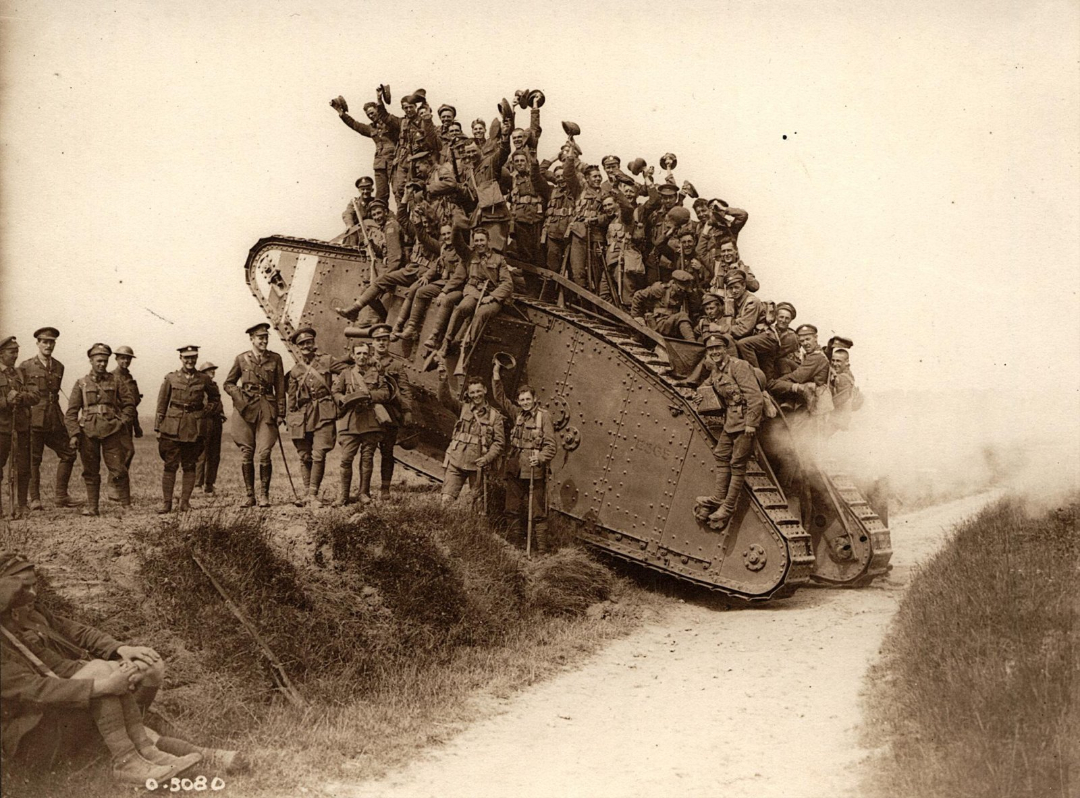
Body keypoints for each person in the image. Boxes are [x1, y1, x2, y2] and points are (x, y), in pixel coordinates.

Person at [0, 553, 244, 782]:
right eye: (22, 588)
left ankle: (152, 752)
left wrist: (120, 649)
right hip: (34, 735)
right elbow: (35, 690)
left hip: (65, 703)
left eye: (34, 585)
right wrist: (99, 686)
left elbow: (77, 631)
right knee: (102, 676)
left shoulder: (33, 612)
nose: (32, 594)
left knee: (145, 667)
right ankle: (132, 759)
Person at [694, 335, 763, 530]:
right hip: (731, 421)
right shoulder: (716, 370)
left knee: (737, 463)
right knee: (721, 454)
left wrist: (751, 424)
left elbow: (755, 397)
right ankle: (717, 497)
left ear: (725, 349)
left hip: (744, 422)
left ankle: (728, 506)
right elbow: (706, 385)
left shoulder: (738, 366)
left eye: (718, 348)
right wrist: (699, 395)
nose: (714, 352)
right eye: (711, 350)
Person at [64, 344, 138, 517]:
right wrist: (74, 434)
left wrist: (122, 422)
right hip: (88, 432)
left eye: (105, 361)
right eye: (98, 361)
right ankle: (93, 507)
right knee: (90, 471)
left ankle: (127, 506)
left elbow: (129, 404)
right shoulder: (81, 383)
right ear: (91, 361)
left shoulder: (116, 381)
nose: (102, 365)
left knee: (119, 469)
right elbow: (71, 412)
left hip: (112, 431)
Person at [490, 361, 557, 552]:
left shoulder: (543, 417)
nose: (525, 402)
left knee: (537, 513)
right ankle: (514, 546)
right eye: (522, 400)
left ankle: (542, 550)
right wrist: (496, 372)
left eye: (528, 399)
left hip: (534, 471)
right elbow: (500, 398)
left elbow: (551, 446)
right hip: (514, 469)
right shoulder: (517, 414)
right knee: (511, 509)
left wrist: (541, 458)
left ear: (535, 399)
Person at [223, 323, 286, 507]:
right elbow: (228, 383)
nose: (264, 341)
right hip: (245, 408)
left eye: (266, 337)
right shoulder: (241, 359)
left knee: (265, 451)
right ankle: (250, 495)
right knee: (247, 452)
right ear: (252, 339)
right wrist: (239, 397)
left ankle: (264, 495)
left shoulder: (275, 358)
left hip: (267, 407)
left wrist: (281, 412)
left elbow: (280, 388)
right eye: (260, 338)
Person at [154, 346, 219, 514]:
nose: (190, 361)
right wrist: (158, 427)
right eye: (186, 358)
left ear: (196, 358)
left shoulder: (203, 379)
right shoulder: (171, 378)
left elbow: (215, 397)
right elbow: (162, 403)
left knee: (190, 465)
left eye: (193, 358)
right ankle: (167, 503)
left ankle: (184, 503)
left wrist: (207, 411)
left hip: (194, 427)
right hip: (172, 427)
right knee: (170, 465)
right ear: (181, 358)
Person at [18, 327, 78, 509]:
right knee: (33, 459)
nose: (48, 345)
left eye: (51, 342)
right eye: (44, 341)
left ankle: (61, 496)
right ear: (37, 343)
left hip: (54, 418)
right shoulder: (25, 366)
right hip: (34, 418)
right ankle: (35, 499)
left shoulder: (59, 366)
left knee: (69, 452)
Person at [435, 227, 515, 360]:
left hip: (492, 297)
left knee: (480, 314)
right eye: (476, 240)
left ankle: (469, 348)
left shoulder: (499, 259)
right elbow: (457, 242)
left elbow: (507, 284)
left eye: (482, 240)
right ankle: (447, 343)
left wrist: (492, 296)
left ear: (488, 241)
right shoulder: (469, 255)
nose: (479, 243)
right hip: (473, 291)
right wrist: (457, 225)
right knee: (461, 308)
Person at [435, 361, 504, 507]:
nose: (476, 395)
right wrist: (443, 379)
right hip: (456, 461)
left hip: (478, 466)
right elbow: (444, 400)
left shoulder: (494, 416)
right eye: (472, 392)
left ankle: (474, 529)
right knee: (446, 502)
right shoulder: (463, 408)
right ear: (469, 393)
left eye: (479, 391)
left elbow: (499, 443)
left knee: (478, 506)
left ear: (485, 390)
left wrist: (487, 459)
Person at [331, 340, 392, 506]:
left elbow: (386, 393)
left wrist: (370, 396)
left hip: (370, 421)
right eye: (358, 353)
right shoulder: (346, 373)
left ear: (369, 355)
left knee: (367, 458)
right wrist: (342, 399)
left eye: (365, 353)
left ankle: (363, 493)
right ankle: (343, 495)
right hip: (350, 421)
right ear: (352, 355)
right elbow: (335, 391)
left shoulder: (377, 374)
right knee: (346, 459)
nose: (362, 357)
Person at [286, 327, 339, 506]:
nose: (306, 346)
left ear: (314, 344)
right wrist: (290, 419)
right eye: (302, 344)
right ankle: (307, 494)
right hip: (303, 416)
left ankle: (313, 494)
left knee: (319, 453)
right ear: (298, 348)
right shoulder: (295, 371)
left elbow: (347, 371)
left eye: (309, 342)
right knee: (304, 455)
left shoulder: (327, 361)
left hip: (324, 412)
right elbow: (291, 399)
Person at [370, 324, 413, 498]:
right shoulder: (365, 361)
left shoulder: (396, 365)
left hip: (391, 413)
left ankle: (385, 489)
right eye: (378, 340)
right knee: (367, 452)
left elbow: (405, 390)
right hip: (370, 413)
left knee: (387, 452)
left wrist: (407, 411)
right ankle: (364, 489)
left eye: (384, 340)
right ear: (372, 343)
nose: (381, 343)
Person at [1, 336, 39, 518]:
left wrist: (21, 397)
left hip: (21, 428)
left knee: (24, 468)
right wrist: (5, 402)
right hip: (2, 429)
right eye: (11, 351)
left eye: (17, 351)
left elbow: (36, 395)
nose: (15, 355)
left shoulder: (22, 373)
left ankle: (23, 505)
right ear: (1, 354)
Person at [334, 98, 398, 203]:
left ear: (378, 110)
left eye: (372, 113)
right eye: (369, 115)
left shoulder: (391, 123)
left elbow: (387, 116)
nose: (371, 116)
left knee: (398, 190)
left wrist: (379, 99)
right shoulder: (371, 128)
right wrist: (341, 113)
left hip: (394, 162)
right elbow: (355, 125)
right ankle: (381, 217)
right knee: (381, 194)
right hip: (379, 164)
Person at [563, 150, 606, 291]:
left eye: (599, 176)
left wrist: (597, 219)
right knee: (578, 270)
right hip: (579, 235)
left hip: (597, 236)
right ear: (587, 179)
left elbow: (610, 215)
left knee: (597, 271)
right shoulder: (580, 190)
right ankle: (582, 302)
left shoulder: (606, 194)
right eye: (594, 177)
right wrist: (570, 156)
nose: (598, 179)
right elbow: (568, 174)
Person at [109, 346, 142, 506]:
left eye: (128, 358)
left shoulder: (130, 378)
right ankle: (114, 486)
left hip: (129, 422)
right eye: (122, 358)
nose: (125, 361)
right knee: (121, 453)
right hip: (117, 421)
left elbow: (133, 404)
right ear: (116, 359)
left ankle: (118, 487)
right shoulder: (112, 377)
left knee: (127, 453)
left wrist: (137, 426)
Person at [768, 324, 831, 408]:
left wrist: (777, 382)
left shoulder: (816, 357)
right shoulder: (813, 353)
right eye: (802, 341)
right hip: (808, 383)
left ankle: (789, 398)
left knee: (773, 385)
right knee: (783, 361)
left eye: (808, 339)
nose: (805, 343)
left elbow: (797, 377)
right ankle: (789, 398)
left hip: (814, 394)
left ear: (815, 338)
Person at [630, 269, 697, 341]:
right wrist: (637, 316)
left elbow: (695, 308)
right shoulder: (660, 289)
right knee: (682, 315)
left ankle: (692, 343)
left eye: (684, 289)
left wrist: (692, 294)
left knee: (684, 319)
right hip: (659, 323)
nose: (681, 291)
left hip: (673, 324)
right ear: (673, 283)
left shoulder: (684, 293)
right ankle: (692, 342)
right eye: (679, 288)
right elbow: (638, 296)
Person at [194, 362, 224, 494]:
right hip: (204, 421)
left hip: (216, 422)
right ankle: (197, 484)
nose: (212, 372)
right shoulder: (200, 387)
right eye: (209, 370)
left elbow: (218, 402)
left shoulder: (214, 386)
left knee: (215, 454)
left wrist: (221, 414)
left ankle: (209, 483)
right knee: (202, 454)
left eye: (213, 370)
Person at [828, 348, 860, 431]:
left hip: (837, 423)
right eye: (833, 360)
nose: (835, 364)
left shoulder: (843, 378)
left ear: (846, 362)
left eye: (838, 361)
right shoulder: (846, 373)